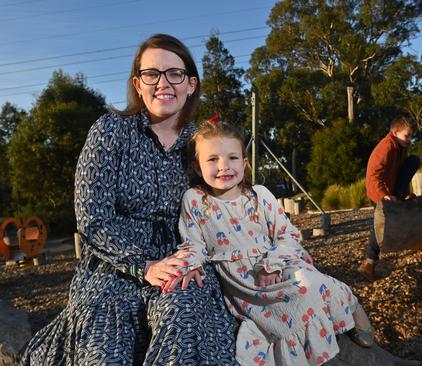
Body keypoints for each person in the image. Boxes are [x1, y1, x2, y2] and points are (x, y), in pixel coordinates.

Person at [20, 34, 238, 365]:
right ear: (138, 84)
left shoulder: (202, 143)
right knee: (108, 347)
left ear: (191, 84)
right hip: (112, 267)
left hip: (179, 258)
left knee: (187, 320)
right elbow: (92, 219)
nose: (163, 83)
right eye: (152, 73)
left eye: (174, 73)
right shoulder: (111, 131)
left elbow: (230, 205)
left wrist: (273, 255)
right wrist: (143, 265)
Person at [166, 119, 375, 366]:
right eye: (212, 159)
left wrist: (272, 264)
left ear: (244, 163)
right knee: (275, 318)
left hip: (277, 261)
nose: (224, 166)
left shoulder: (259, 195)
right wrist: (188, 264)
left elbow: (287, 235)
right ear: (198, 167)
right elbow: (193, 242)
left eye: (232, 158)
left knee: (313, 284)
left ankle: (352, 308)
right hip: (242, 281)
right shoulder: (195, 199)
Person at [357, 116, 420, 280]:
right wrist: (384, 196)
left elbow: (399, 173)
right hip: (377, 191)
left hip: (390, 190)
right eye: (407, 135)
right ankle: (368, 263)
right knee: (379, 225)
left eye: (411, 136)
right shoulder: (386, 147)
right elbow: (374, 176)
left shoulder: (401, 147)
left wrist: (403, 193)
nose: (410, 139)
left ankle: (399, 198)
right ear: (395, 132)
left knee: (413, 161)